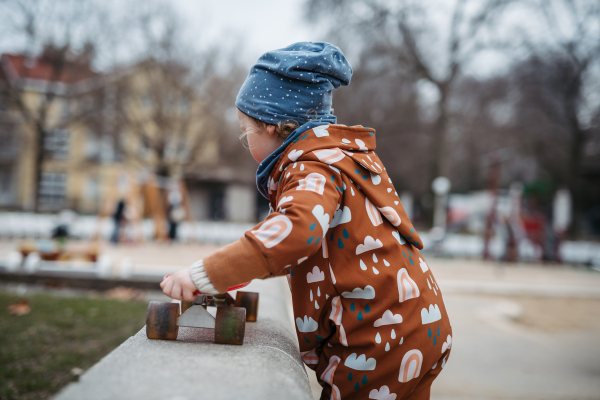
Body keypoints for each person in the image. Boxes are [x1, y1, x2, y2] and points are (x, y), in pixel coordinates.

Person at [160, 42, 452, 400]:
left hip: (378, 340)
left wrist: (203, 274)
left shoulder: (311, 168)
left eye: (244, 132)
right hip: (416, 325)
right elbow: (303, 243)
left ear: (270, 126)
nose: (244, 141)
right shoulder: (340, 157)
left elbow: (296, 233)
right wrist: (239, 269)